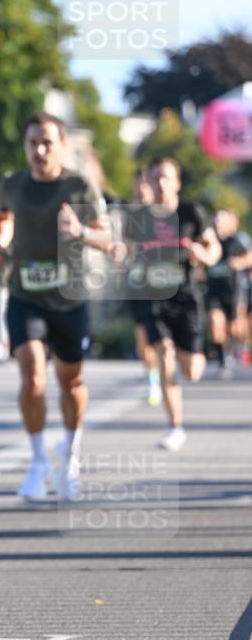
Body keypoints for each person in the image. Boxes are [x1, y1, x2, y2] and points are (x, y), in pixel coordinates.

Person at [0, 111, 110, 502]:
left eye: (47, 143)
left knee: (71, 382)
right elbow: (2, 217)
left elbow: (107, 238)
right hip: (26, 296)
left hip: (71, 299)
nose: (39, 150)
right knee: (33, 377)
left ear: (62, 145)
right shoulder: (11, 184)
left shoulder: (79, 186)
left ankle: (69, 456)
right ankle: (39, 460)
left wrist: (81, 231)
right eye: (32, 143)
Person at [138, 158, 221, 451]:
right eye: (155, 177)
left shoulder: (191, 213)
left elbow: (214, 248)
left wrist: (203, 253)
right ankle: (175, 426)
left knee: (192, 371)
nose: (160, 184)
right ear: (148, 182)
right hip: (154, 298)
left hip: (186, 297)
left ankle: (197, 362)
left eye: (166, 178)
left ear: (177, 182)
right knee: (164, 356)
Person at [126, 168, 162, 405]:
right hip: (138, 284)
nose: (140, 189)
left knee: (161, 337)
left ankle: (164, 370)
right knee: (142, 336)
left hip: (163, 285)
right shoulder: (131, 216)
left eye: (144, 185)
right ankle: (152, 378)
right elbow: (126, 249)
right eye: (136, 185)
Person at [205, 209, 252, 378]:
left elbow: (250, 257)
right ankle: (223, 361)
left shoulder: (239, 239)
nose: (218, 223)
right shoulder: (209, 239)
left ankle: (236, 349)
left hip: (234, 288)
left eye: (221, 220)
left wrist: (240, 262)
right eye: (216, 219)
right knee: (215, 324)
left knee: (234, 328)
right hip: (213, 289)